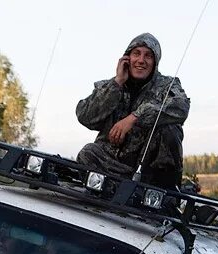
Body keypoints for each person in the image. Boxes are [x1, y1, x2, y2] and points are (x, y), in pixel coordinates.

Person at [75, 33, 190, 189]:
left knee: (170, 128)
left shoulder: (167, 85)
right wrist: (117, 83)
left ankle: (162, 191)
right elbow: (85, 116)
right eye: (136, 53)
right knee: (88, 153)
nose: (141, 60)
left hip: (150, 172)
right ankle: (119, 190)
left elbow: (181, 107)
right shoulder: (111, 85)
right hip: (114, 167)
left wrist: (135, 117)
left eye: (148, 56)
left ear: (155, 62)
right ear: (127, 58)